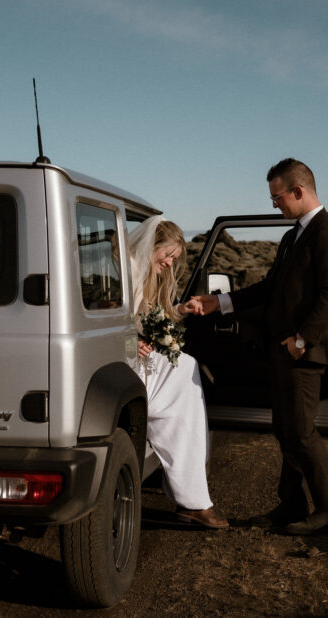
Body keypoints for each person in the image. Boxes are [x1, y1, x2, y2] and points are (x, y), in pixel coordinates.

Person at [196, 158, 328, 535]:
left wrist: (301, 339)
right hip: (283, 351)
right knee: (284, 429)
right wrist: (221, 303)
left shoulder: (327, 235)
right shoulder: (292, 236)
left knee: (300, 432)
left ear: (298, 191)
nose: (275, 204)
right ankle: (291, 504)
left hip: (303, 352)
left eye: (277, 197)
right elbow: (269, 289)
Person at [128, 216, 229, 530]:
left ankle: (193, 491)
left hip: (137, 353)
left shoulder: (146, 271)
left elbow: (150, 316)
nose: (170, 263)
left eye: (174, 257)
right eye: (167, 255)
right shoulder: (128, 270)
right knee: (185, 375)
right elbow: (112, 316)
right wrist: (131, 342)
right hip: (123, 358)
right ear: (152, 245)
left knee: (186, 367)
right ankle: (192, 497)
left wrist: (180, 310)